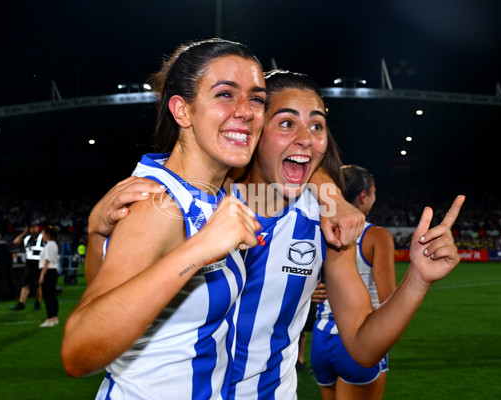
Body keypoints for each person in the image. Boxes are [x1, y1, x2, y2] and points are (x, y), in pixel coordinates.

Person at [85, 69, 464, 399]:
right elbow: (103, 307)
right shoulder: (192, 198)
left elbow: (364, 347)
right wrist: (98, 235)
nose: (306, 138)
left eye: (317, 125)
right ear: (250, 130)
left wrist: (417, 279)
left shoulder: (324, 220)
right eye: (286, 122)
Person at [61, 38, 267, 400]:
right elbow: (78, 351)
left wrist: (97, 235)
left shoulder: (207, 192)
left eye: (257, 98)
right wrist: (199, 249)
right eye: (224, 94)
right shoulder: (160, 205)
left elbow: (116, 290)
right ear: (182, 111)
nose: (246, 111)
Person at [310, 164, 396, 400]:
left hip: (321, 339)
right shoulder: (377, 236)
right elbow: (388, 297)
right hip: (360, 340)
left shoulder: (321, 230)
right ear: (363, 195)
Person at [11, 222, 43, 311]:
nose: (32, 229)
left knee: (37, 285)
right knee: (25, 284)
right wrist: (24, 233)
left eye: (34, 227)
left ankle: (38, 303)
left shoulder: (42, 237)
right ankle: (21, 303)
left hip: (38, 264)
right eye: (31, 228)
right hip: (29, 264)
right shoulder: (27, 238)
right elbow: (15, 241)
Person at [38, 225, 61, 327]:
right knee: (52, 295)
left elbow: (47, 261)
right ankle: (54, 318)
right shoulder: (54, 244)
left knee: (47, 296)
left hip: (48, 271)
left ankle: (50, 318)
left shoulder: (49, 245)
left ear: (48, 235)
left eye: (43, 233)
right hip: (52, 271)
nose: (42, 236)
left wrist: (42, 275)